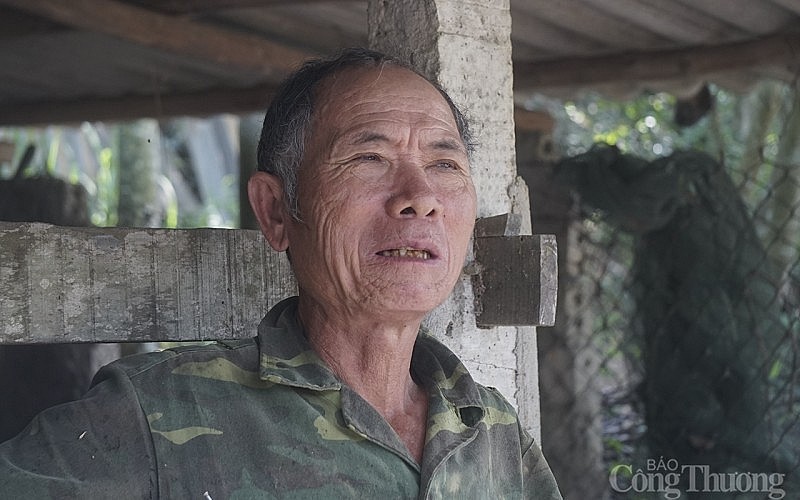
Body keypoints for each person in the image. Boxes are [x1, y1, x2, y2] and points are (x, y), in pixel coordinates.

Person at [0, 48, 562, 499]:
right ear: (275, 211)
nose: (421, 197)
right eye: (368, 159)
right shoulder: (160, 413)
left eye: (444, 163)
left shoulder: (491, 432)